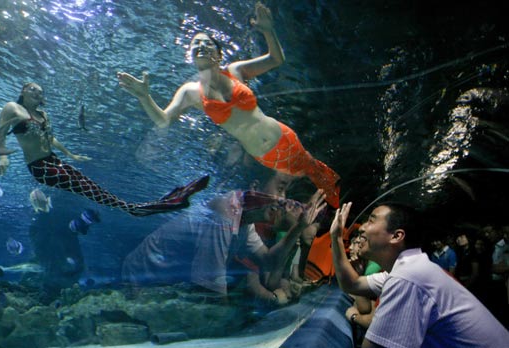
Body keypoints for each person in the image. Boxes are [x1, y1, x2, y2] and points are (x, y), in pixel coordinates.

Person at [116, 2, 341, 209]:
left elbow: (276, 59)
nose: (201, 46)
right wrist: (144, 97)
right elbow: (163, 120)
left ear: (219, 54)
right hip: (265, 155)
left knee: (314, 170)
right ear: (191, 55)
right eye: (196, 43)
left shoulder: (235, 71)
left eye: (207, 43)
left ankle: (341, 201)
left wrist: (267, 30)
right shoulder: (190, 93)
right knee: (301, 183)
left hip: (283, 136)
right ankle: (332, 214)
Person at [0, 82, 209, 217]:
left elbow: (50, 138)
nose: (37, 92)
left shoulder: (44, 115)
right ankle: (135, 209)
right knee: (86, 188)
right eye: (33, 89)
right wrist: (2, 158)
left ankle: (144, 206)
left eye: (40, 91)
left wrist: (70, 154)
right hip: (39, 167)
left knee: (90, 185)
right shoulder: (13, 109)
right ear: (23, 90)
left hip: (53, 159)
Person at [330, 202, 509, 347]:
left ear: (396, 236)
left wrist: (354, 317)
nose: (362, 228)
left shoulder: (408, 277)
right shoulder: (407, 269)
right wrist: (336, 238)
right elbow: (352, 284)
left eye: (371, 221)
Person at [122, 188, 327, 306]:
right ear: (256, 185)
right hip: (143, 277)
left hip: (164, 284)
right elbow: (210, 286)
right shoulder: (226, 211)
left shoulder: (244, 222)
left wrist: (299, 228)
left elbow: (268, 262)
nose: (283, 201)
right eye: (280, 188)